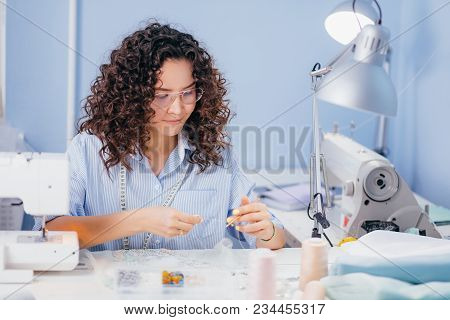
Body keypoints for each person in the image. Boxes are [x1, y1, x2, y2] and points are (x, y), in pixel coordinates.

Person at [33, 22, 285, 251]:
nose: (177, 109)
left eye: (187, 93)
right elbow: (50, 232)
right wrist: (138, 220)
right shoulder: (87, 150)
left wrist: (267, 231)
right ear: (132, 95)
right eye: (161, 95)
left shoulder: (217, 156)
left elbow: (271, 239)